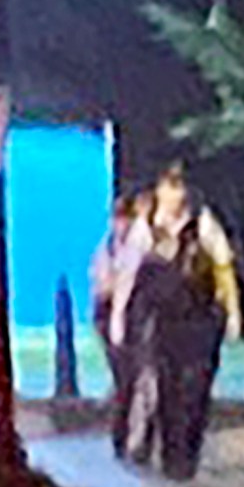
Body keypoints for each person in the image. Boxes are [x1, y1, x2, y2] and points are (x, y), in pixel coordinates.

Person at [110, 164, 241, 481]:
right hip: (160, 320)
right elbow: (127, 274)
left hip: (198, 317)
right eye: (168, 188)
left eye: (178, 188)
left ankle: (188, 453)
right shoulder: (145, 227)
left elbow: (223, 267)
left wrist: (233, 310)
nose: (173, 196)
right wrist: (119, 315)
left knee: (196, 388)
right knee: (166, 387)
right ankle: (171, 456)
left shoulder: (203, 224)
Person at [90, 195, 144, 459]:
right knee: (125, 377)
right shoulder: (107, 248)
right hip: (108, 312)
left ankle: (124, 435)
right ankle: (120, 436)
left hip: (130, 314)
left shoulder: (134, 248)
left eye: (126, 219)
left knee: (130, 378)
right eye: (118, 219)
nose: (121, 224)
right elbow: (101, 284)